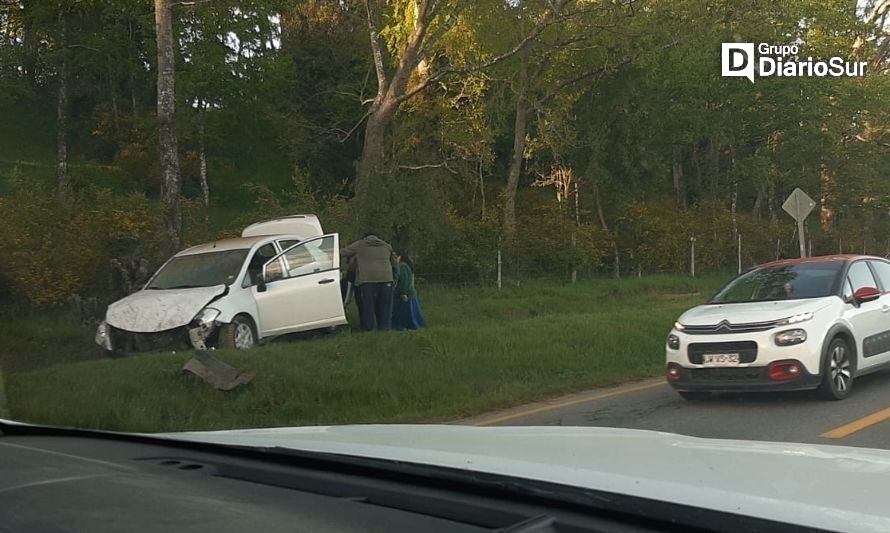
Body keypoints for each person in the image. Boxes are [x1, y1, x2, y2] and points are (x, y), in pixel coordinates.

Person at [340, 232, 398, 331]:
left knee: (368, 307)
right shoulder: (386, 246)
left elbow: (342, 253)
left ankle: (368, 330)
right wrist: (395, 280)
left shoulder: (359, 245)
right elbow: (395, 265)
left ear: (365, 237)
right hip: (386, 280)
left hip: (367, 281)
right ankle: (385, 329)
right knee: (385, 307)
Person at [391, 254, 426, 331]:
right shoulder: (407, 266)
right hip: (410, 293)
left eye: (397, 257)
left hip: (405, 294)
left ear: (401, 258)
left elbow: (404, 280)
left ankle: (403, 326)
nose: (396, 258)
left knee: (403, 312)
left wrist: (403, 293)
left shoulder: (402, 266)